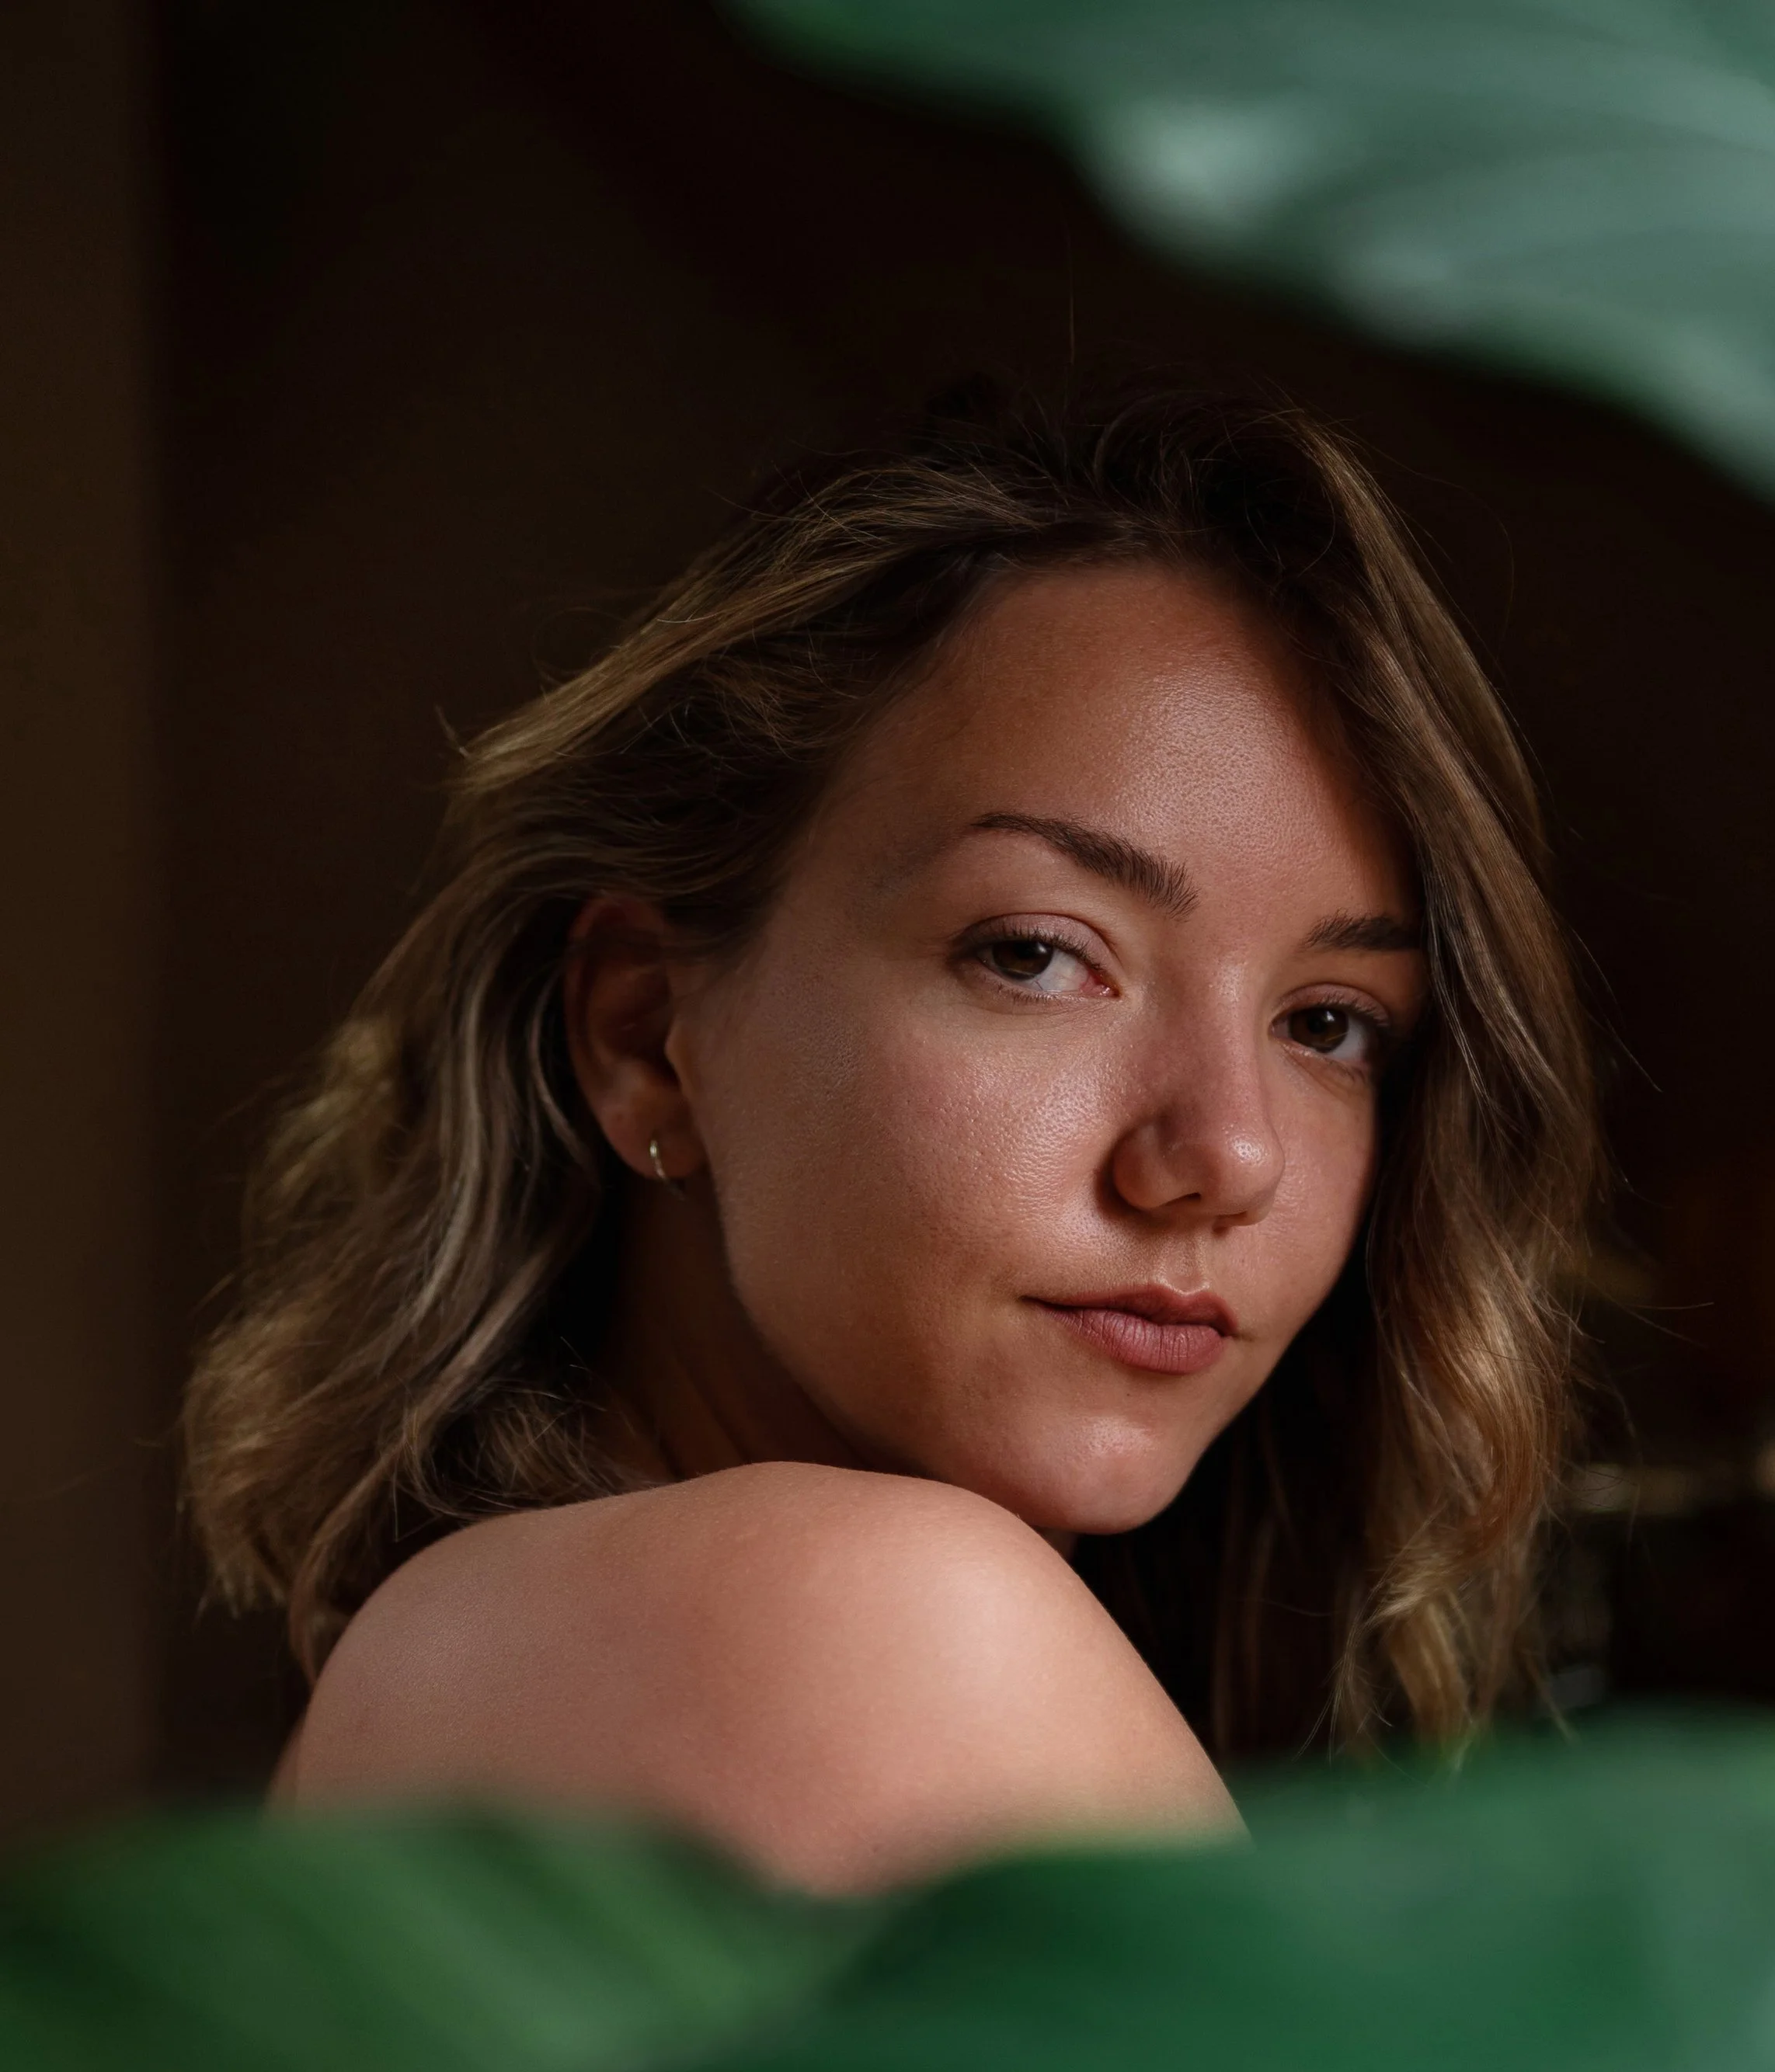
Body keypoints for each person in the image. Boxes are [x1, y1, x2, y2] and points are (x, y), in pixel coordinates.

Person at [184, 390, 1597, 1892]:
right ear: (645, 1035)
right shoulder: (873, 1615)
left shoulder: (474, 1643)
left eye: (1328, 1024)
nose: (1229, 1154)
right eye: (1038, 954)